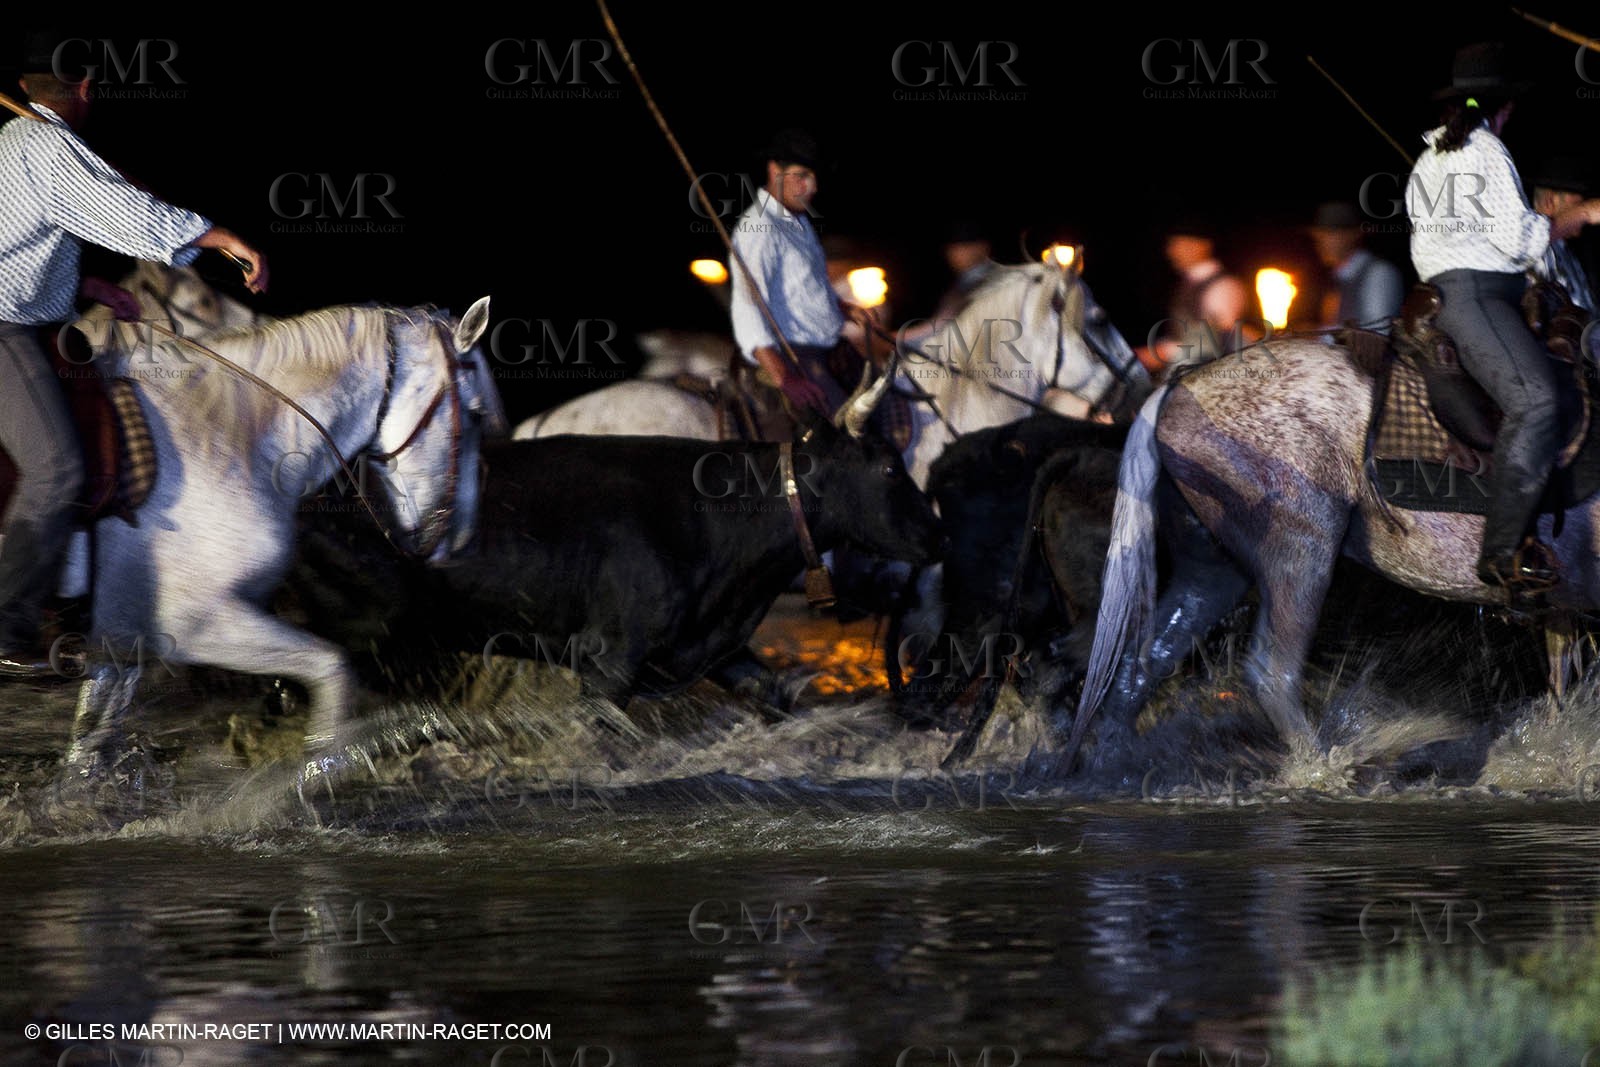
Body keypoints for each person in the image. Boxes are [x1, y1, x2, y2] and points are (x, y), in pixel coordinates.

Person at [0, 39, 268, 670]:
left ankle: (75, 598)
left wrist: (88, 288)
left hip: (25, 319)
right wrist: (218, 235)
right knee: (59, 470)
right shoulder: (43, 144)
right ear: (86, 88)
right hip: (4, 329)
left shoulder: (15, 142)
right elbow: (120, 211)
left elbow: (28, 242)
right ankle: (7, 623)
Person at [1405, 42, 1600, 599]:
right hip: (1477, 295)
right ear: (1505, 106)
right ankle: (1503, 552)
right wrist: (1580, 214)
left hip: (1450, 289)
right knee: (1537, 399)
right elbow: (1520, 240)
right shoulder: (1487, 149)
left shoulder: (1432, 157)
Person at [728, 128, 873, 416]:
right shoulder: (760, 228)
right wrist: (784, 376)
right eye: (803, 175)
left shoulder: (799, 222)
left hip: (830, 348)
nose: (813, 187)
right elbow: (747, 304)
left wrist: (841, 307)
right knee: (852, 435)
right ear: (773, 170)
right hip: (796, 355)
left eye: (815, 177)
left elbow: (803, 287)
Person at [1136, 217, 1252, 379]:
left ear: (1202, 246)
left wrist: (1162, 353)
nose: (1171, 251)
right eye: (1171, 245)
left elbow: (1219, 342)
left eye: (1179, 244)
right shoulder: (1188, 283)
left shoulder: (1222, 286)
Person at [1307, 200, 1404, 334]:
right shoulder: (1337, 279)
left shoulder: (1379, 274)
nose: (1321, 242)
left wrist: (1316, 338)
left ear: (1352, 235)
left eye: (1329, 234)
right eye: (1319, 236)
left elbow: (1377, 334)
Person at [1529, 157, 1597, 315]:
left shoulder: (1568, 250)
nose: (1585, 204)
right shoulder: (1534, 250)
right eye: (1578, 203)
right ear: (1549, 201)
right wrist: (1584, 212)